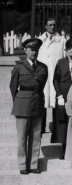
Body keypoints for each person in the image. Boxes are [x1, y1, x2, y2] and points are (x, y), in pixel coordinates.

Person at [9, 39, 48, 174]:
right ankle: (22, 165)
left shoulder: (43, 67)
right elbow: (13, 87)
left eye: (36, 49)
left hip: (37, 104)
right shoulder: (19, 67)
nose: (34, 52)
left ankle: (33, 164)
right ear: (25, 50)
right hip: (22, 104)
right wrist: (19, 101)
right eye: (31, 49)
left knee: (36, 136)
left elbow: (41, 86)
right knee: (22, 138)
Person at [51, 39, 72, 159]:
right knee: (63, 122)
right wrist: (59, 95)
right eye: (70, 48)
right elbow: (55, 80)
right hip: (63, 95)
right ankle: (64, 148)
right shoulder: (61, 62)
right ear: (66, 50)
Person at [37, 17, 66, 132]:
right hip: (43, 75)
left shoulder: (62, 40)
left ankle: (55, 126)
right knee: (42, 100)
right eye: (50, 25)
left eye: (54, 24)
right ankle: (42, 126)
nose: (52, 27)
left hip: (56, 74)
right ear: (45, 26)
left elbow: (64, 58)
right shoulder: (40, 40)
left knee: (57, 99)